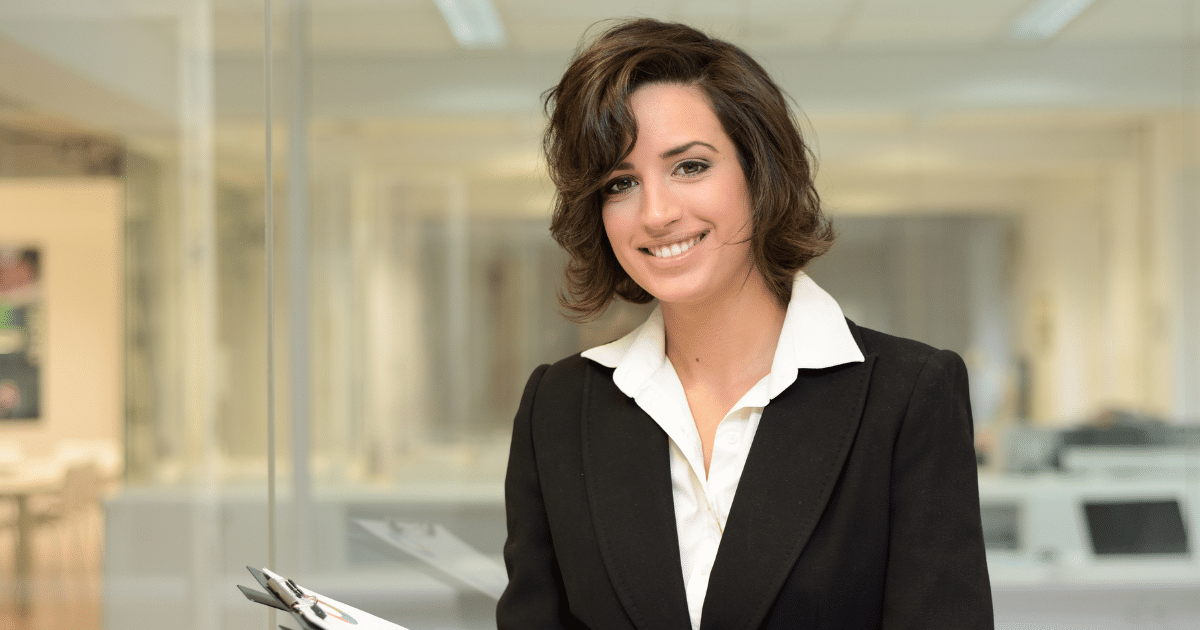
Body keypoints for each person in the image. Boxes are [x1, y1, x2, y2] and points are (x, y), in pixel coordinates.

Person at [497, 18, 992, 630]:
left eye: (690, 167)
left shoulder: (909, 394)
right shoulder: (559, 407)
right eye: (620, 183)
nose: (656, 214)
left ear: (759, 174)